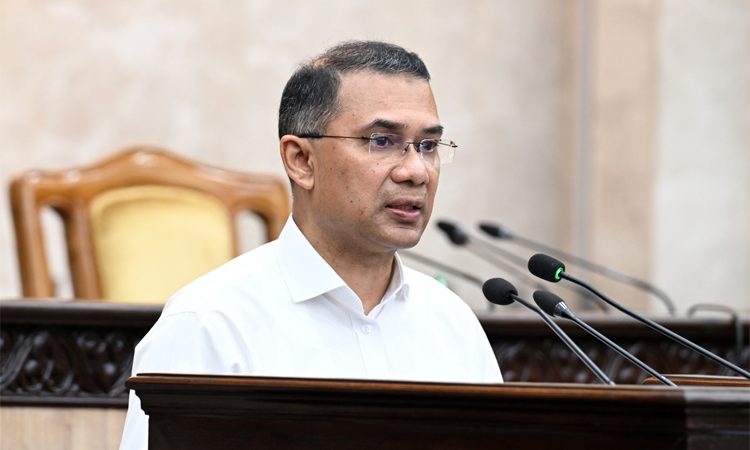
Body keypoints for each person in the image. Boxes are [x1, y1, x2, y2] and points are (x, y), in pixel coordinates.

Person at [119, 40, 502, 450]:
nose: (416, 171)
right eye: (381, 141)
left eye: (428, 146)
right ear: (301, 160)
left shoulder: (452, 324)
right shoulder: (211, 323)